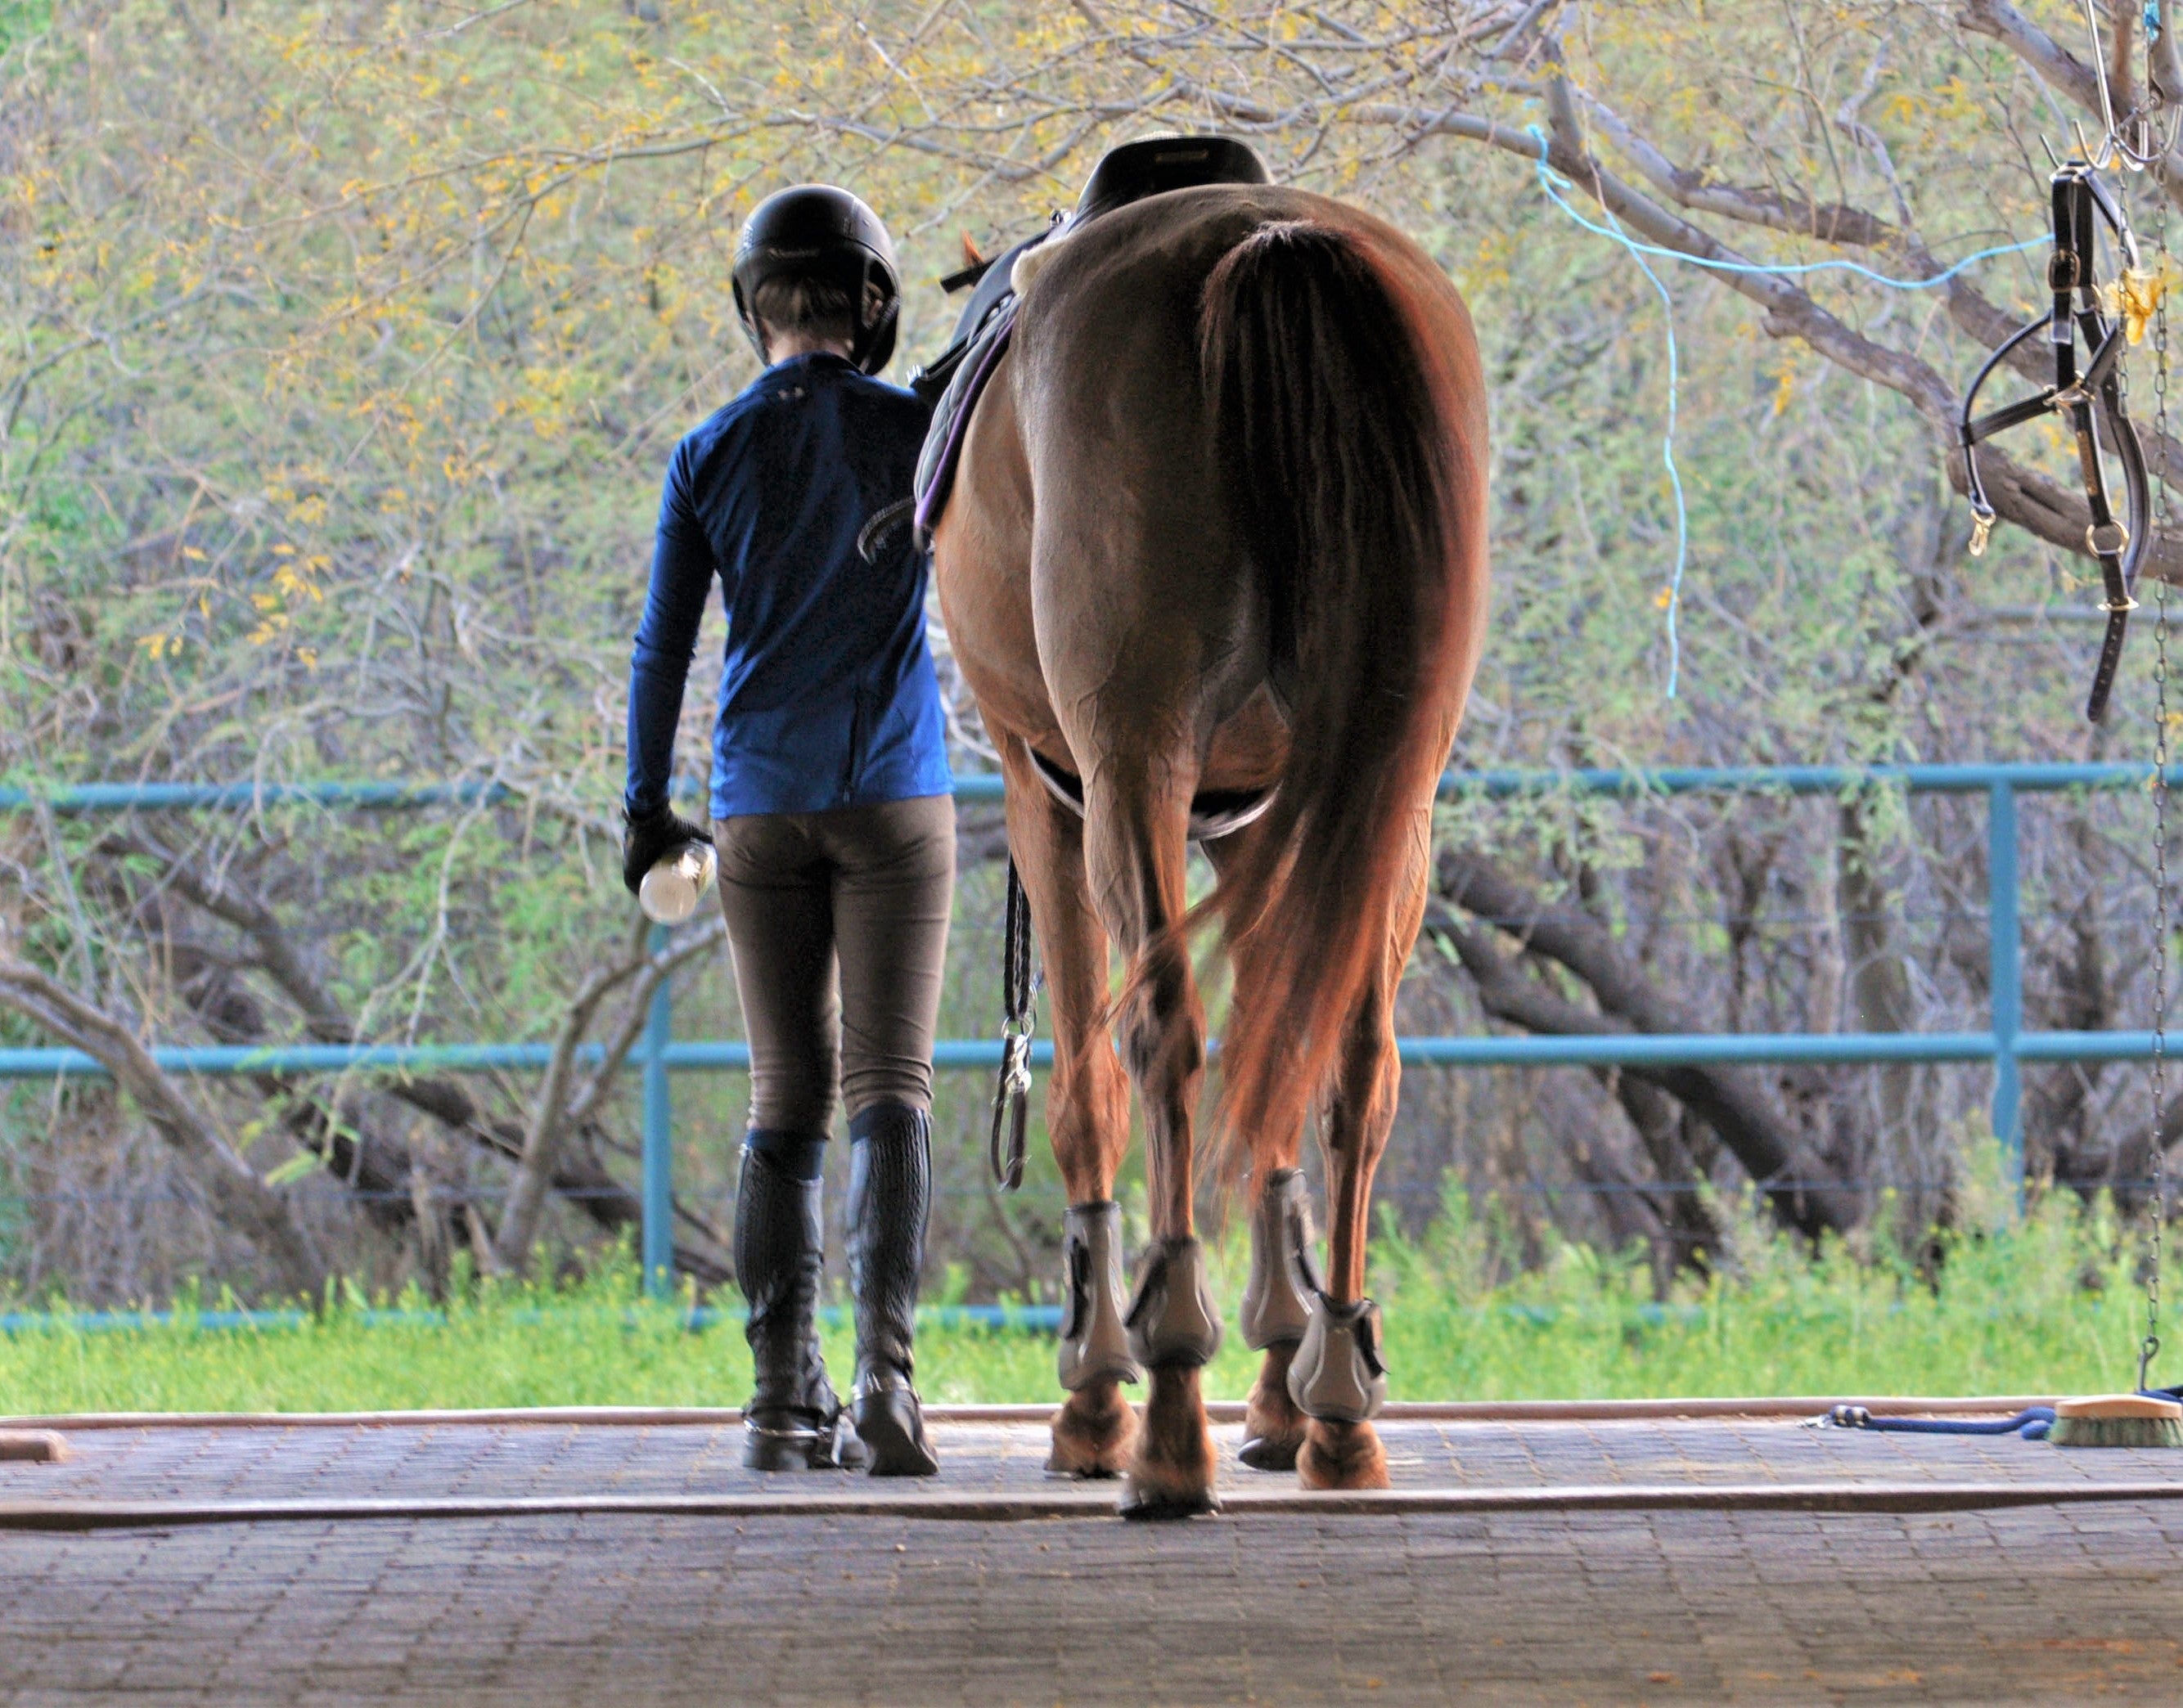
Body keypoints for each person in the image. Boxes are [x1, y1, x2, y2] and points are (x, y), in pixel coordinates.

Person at [620, 185, 953, 1477]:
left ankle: (774, 1398)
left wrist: (647, 812)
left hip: (759, 803)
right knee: (892, 1088)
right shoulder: (922, 435)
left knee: (785, 1095)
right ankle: (885, 1384)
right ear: (869, 307)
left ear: (753, 303)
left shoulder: (707, 454)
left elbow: (662, 649)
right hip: (895, 795)